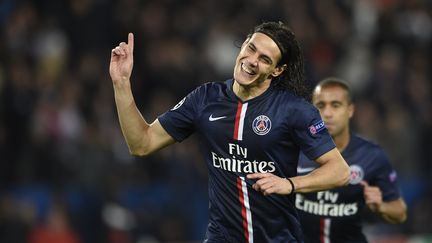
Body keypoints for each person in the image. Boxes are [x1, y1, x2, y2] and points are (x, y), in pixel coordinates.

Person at [109, 21, 350, 243]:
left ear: (277, 70)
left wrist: (290, 184)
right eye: (251, 47)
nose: (252, 60)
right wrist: (121, 85)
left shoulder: (294, 110)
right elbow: (141, 143)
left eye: (265, 59)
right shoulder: (205, 99)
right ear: (243, 44)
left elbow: (339, 171)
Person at [296, 77, 407, 243]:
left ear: (350, 110)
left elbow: (400, 213)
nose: (327, 113)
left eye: (335, 105)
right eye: (320, 105)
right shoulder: (294, 150)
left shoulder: (371, 155)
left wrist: (380, 206)